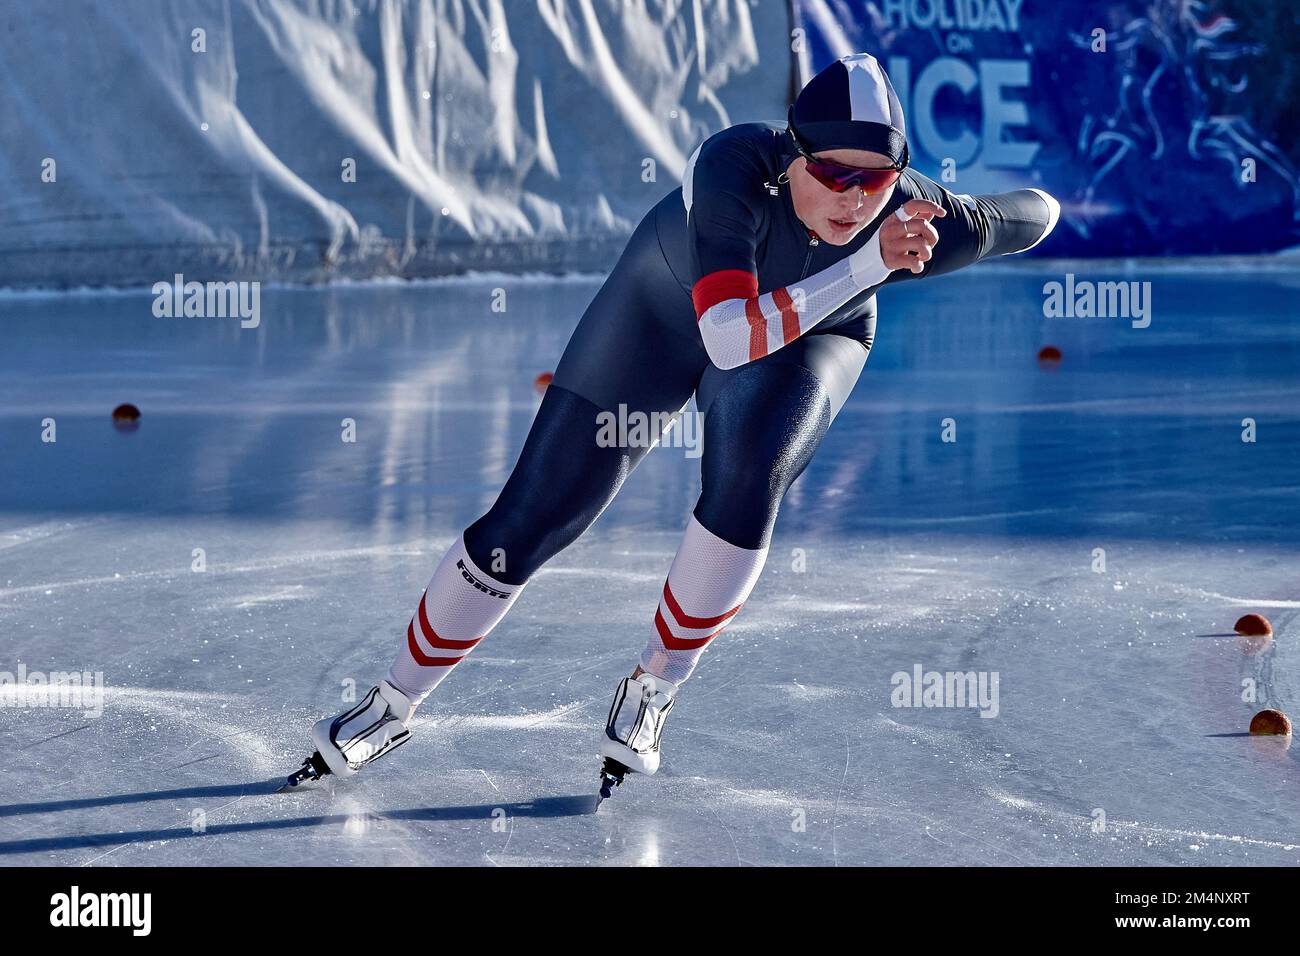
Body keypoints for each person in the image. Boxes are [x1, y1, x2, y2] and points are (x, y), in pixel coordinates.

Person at [289, 53, 1059, 798]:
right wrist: (870, 266)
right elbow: (726, 337)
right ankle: (391, 704)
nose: (854, 199)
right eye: (830, 173)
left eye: (876, 180)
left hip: (810, 336)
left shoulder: (913, 212)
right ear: (793, 155)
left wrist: (1000, 218)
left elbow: (1027, 214)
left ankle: (655, 686)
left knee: (748, 481)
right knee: (532, 517)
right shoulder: (734, 168)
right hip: (662, 314)